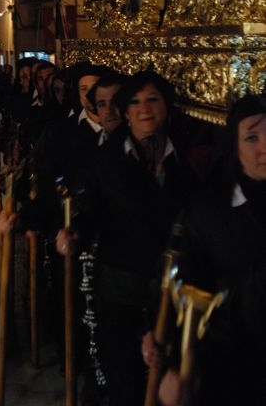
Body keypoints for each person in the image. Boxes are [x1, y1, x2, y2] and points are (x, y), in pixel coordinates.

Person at [57, 70, 198, 406]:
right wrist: (73, 230)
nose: (144, 109)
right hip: (123, 291)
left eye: (152, 99)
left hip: (171, 292)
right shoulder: (107, 161)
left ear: (166, 105)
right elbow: (89, 209)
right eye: (134, 101)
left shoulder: (185, 161)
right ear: (126, 111)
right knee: (127, 380)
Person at [153, 93, 266, 406]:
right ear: (234, 146)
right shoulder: (206, 213)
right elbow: (181, 290)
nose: (264, 148)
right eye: (252, 137)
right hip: (229, 364)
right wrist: (174, 363)